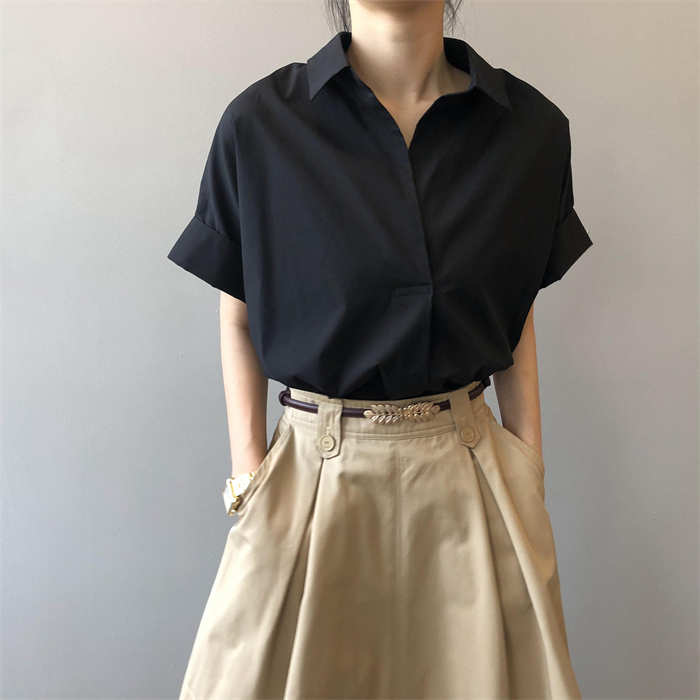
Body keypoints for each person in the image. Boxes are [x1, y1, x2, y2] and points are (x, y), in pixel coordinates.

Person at [167, 1, 593, 697]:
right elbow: (239, 314)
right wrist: (250, 477)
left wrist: (528, 470)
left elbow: (514, 317)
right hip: (312, 478)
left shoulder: (530, 133)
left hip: (471, 479)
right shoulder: (262, 126)